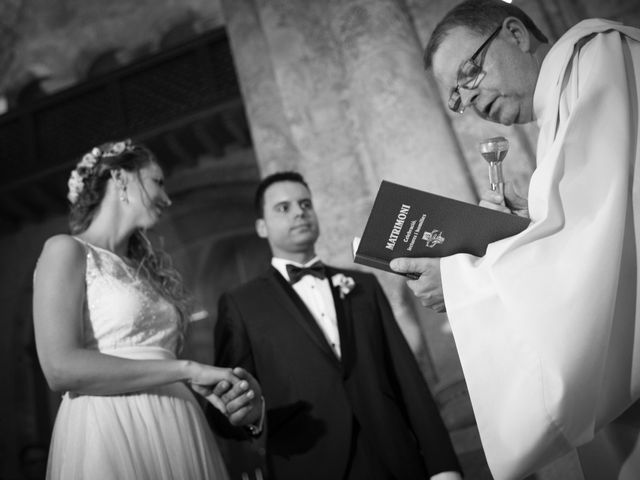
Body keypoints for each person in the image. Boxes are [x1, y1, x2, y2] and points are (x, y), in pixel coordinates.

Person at [389, 1, 640, 479]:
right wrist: (528, 231)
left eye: (469, 74)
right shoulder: (561, 108)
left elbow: (602, 245)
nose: (471, 101)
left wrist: (462, 284)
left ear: (515, 34)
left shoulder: (600, 58)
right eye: (457, 97)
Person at [32, 139, 262, 479]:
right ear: (121, 177)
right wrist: (186, 369)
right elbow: (59, 368)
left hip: (176, 421)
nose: (166, 198)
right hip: (112, 425)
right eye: (158, 182)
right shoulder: (66, 251)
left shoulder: (144, 272)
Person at [212, 171, 462, 480]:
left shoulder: (363, 285)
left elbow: (407, 378)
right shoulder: (241, 304)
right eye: (283, 207)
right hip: (309, 464)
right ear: (261, 227)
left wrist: (443, 466)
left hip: (394, 458)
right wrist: (254, 416)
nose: (299, 212)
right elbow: (226, 406)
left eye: (305, 204)